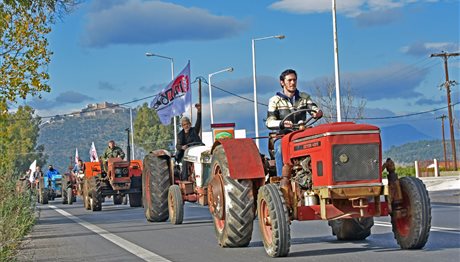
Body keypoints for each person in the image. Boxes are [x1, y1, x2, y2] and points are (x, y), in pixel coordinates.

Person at [266, 69, 323, 177]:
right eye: (289, 80)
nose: (292, 83)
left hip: (302, 134)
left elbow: (313, 108)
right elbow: (269, 122)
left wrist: (317, 112)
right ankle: (281, 179)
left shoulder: (304, 97)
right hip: (284, 135)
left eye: (294, 80)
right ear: (282, 82)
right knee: (279, 149)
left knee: (319, 144)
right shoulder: (274, 100)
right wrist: (282, 123)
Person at [175, 103, 202, 180]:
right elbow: (177, 146)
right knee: (185, 159)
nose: (186, 126)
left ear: (190, 124)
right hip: (186, 152)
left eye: (187, 124)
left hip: (196, 150)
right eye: (184, 125)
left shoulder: (194, 130)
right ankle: (185, 179)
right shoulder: (180, 135)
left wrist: (199, 111)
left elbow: (198, 122)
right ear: (182, 126)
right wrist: (182, 147)